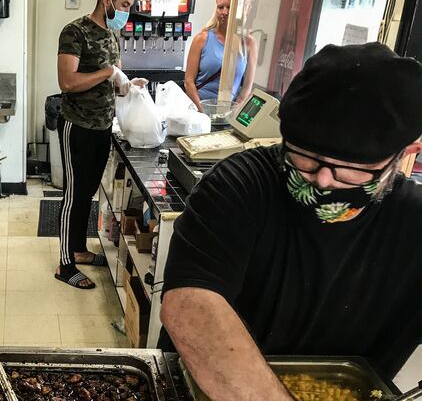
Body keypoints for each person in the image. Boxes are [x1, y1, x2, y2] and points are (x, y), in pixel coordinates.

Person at [159, 43, 422, 399]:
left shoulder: (413, 223)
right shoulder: (240, 185)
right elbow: (190, 305)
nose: (323, 180)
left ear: (405, 154)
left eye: (349, 169)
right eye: (306, 158)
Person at [55, 0, 147, 289]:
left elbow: (110, 83)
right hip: (77, 125)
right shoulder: (75, 32)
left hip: (103, 127)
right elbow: (68, 82)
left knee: (88, 193)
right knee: (73, 194)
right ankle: (65, 264)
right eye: (124, 5)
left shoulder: (111, 35)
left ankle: (79, 250)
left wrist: (128, 85)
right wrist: (109, 72)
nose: (126, 12)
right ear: (107, 0)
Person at [184, 0, 257, 111]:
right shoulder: (201, 39)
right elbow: (189, 82)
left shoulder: (248, 43)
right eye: (220, 7)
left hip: (228, 112)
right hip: (198, 110)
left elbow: (246, 88)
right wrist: (202, 111)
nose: (224, 12)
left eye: (229, 7)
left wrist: (232, 113)